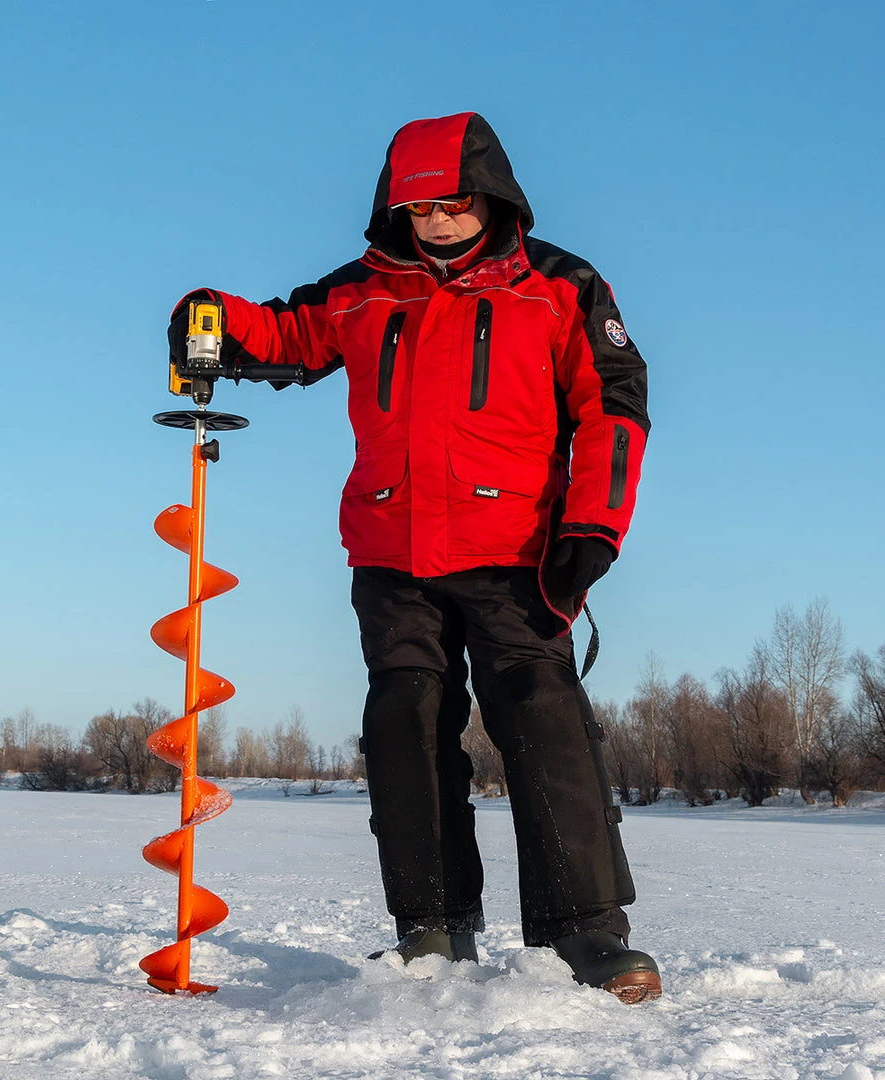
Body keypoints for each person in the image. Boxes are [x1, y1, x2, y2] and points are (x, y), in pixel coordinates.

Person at [169, 112, 658, 1003]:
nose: (435, 219)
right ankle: (431, 931)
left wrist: (592, 530)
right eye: (417, 204)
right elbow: (286, 334)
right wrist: (210, 319)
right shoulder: (364, 290)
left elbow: (613, 408)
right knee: (406, 722)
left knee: (541, 717)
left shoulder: (559, 287)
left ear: (493, 195)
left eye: (453, 201)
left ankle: (585, 933)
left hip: (520, 554)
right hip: (391, 552)